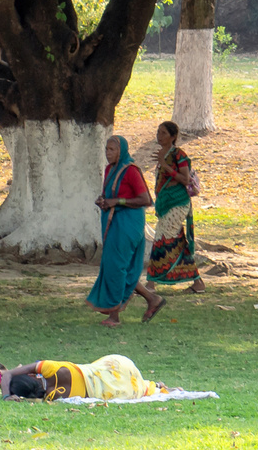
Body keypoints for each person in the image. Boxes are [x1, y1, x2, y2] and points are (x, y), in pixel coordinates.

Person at [86, 135, 153, 326]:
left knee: (117, 267)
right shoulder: (109, 169)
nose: (108, 154)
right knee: (114, 265)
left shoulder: (131, 170)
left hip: (128, 224)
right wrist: (104, 201)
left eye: (112, 150)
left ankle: (114, 316)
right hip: (113, 222)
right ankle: (151, 299)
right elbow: (111, 194)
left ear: (121, 151)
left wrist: (118, 202)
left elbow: (145, 199)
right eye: (106, 149)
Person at [145, 121, 205, 298]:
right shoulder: (162, 155)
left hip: (177, 204)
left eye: (163, 133)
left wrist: (165, 165)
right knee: (177, 241)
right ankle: (197, 282)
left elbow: (185, 179)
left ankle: (151, 283)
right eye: (158, 132)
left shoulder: (179, 155)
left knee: (160, 238)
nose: (159, 135)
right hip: (166, 204)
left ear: (173, 137)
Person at [1, 355, 169, 402]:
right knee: (123, 378)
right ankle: (156, 385)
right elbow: (7, 374)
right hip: (114, 365)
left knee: (138, 388)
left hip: (113, 389)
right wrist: (5, 395)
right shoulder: (48, 368)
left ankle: (157, 386)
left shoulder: (53, 396)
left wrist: (14, 398)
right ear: (31, 375)